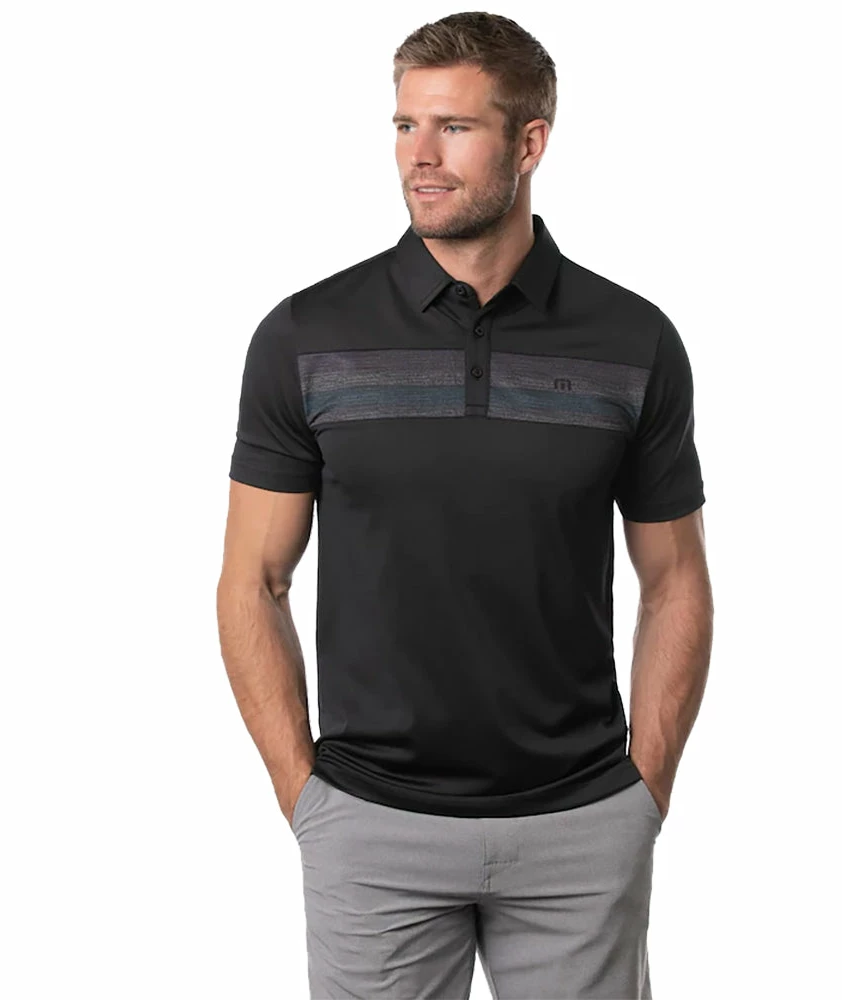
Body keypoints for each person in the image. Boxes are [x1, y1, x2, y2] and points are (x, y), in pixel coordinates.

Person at [216, 11, 713, 999]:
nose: (420, 156)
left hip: (579, 829)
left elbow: (675, 581)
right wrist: (305, 794)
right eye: (406, 125)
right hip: (370, 827)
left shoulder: (633, 341)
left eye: (454, 127)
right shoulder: (305, 336)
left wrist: (644, 791)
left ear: (530, 143)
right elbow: (252, 580)